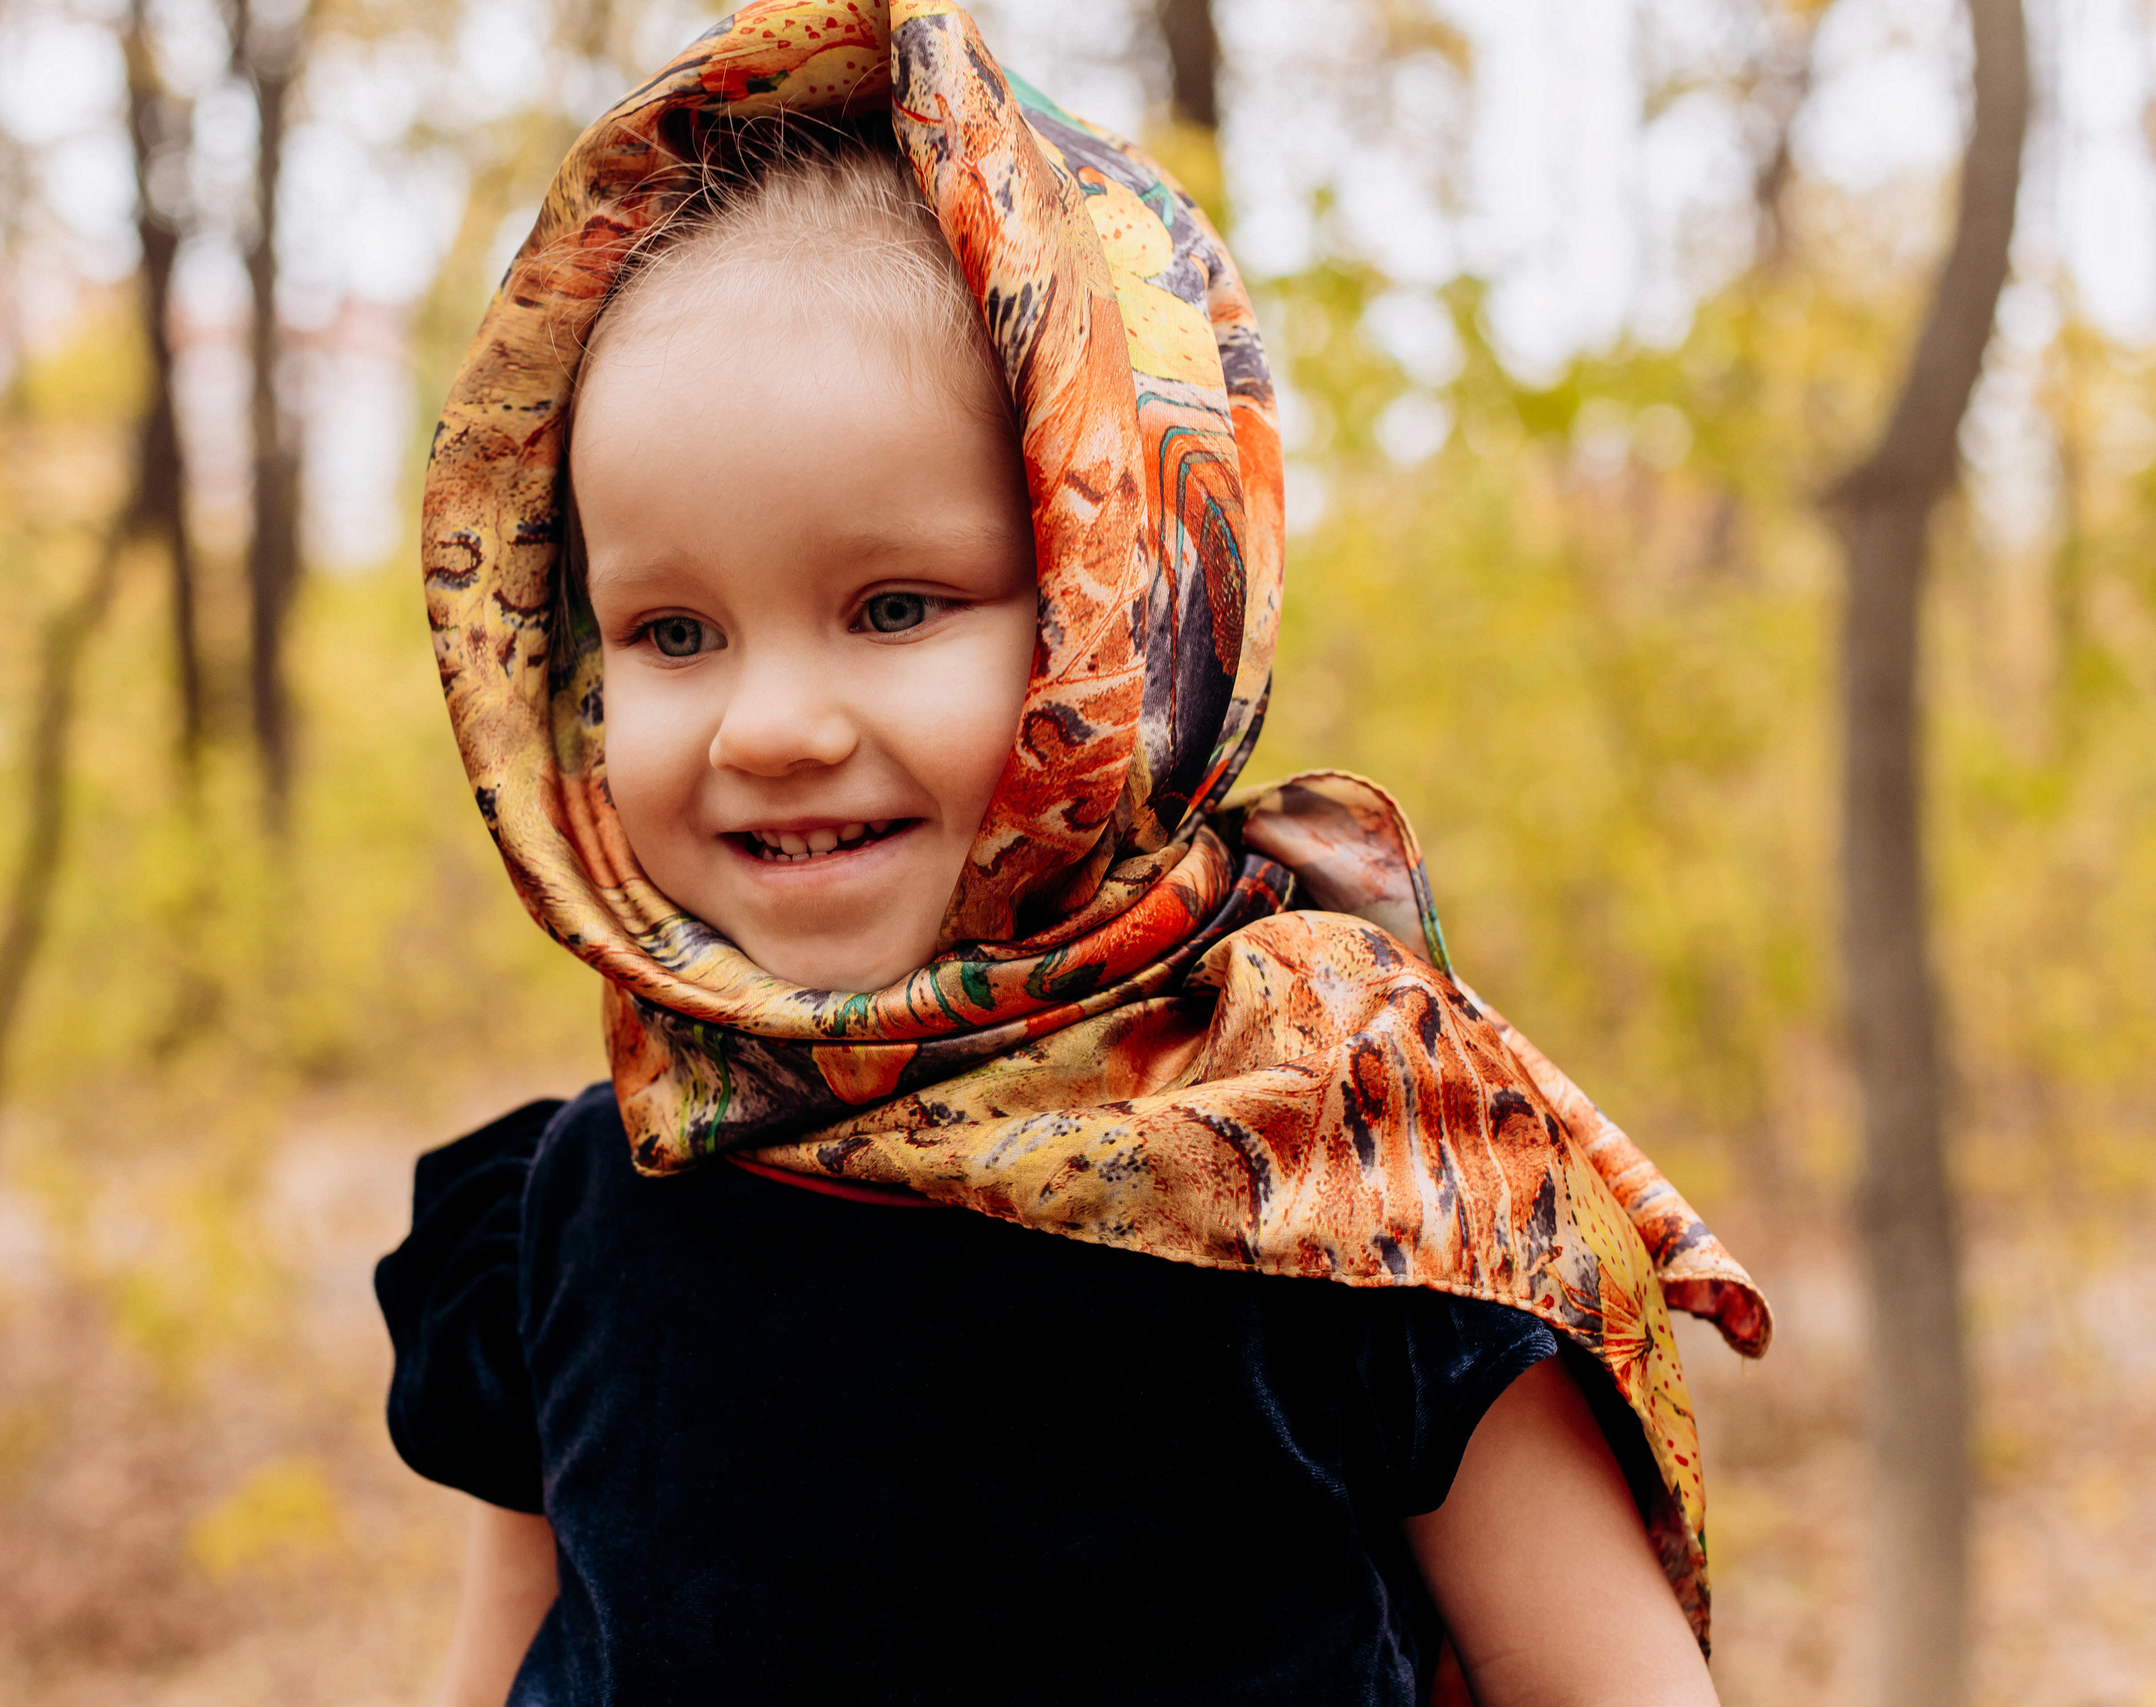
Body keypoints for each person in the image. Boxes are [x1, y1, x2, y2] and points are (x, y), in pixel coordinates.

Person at [376, 5, 1772, 1703]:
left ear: (1136, 616)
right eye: (672, 633)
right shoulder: (579, 1210)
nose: (768, 727)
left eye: (895, 607)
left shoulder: (1351, 1181)